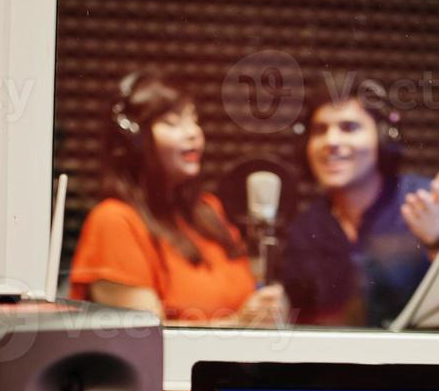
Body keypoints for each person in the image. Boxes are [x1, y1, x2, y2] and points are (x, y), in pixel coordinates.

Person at [69, 73, 287, 326]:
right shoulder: (113, 221)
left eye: (194, 121)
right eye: (173, 123)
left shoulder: (207, 210)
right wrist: (238, 323)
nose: (193, 132)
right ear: (135, 142)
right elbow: (144, 337)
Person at [280, 76, 439, 327]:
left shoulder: (433, 204)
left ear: (383, 138)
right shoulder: (306, 229)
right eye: (320, 130)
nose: (331, 142)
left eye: (349, 128)